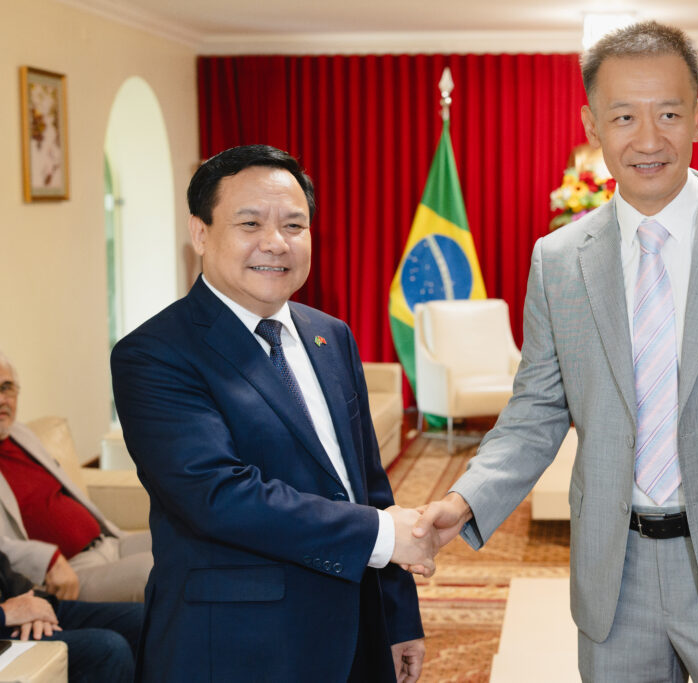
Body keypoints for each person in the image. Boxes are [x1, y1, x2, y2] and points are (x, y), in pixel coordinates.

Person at [416, 21, 698, 682]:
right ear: (592, 124)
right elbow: (536, 412)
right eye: (624, 117)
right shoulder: (558, 259)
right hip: (615, 578)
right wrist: (465, 500)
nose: (648, 139)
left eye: (668, 113)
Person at [110, 145, 437, 682]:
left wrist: (398, 616)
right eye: (250, 223)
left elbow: (368, 488)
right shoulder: (154, 354)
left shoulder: (330, 335)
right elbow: (218, 496)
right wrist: (380, 534)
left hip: (356, 634)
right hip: (237, 650)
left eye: (293, 225)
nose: (276, 243)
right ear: (200, 233)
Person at [0, 352, 152, 603]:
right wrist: (46, 559)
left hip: (109, 543)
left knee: (184, 539)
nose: (2, 399)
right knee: (156, 571)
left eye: (6, 387)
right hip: (71, 571)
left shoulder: (21, 434)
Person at [0, 545, 142, 683]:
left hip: (11, 601)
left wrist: (31, 605)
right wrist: (6, 613)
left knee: (141, 618)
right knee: (108, 648)